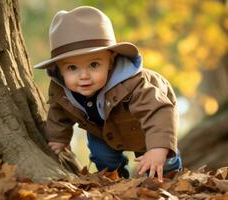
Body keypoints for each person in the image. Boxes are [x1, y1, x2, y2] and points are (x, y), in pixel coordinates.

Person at [34, 6, 182, 181]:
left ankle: (169, 176)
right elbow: (59, 112)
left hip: (143, 128)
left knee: (160, 163)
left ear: (111, 61)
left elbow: (159, 112)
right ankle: (117, 179)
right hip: (102, 131)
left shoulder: (134, 84)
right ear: (59, 69)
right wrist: (58, 137)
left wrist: (159, 147)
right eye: (72, 68)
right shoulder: (62, 90)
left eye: (94, 65)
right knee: (102, 158)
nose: (84, 76)